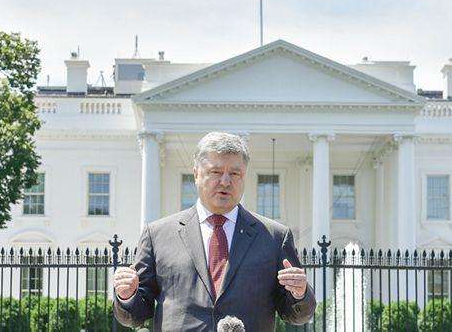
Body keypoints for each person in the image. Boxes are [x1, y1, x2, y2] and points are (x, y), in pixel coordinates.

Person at [113, 132, 316, 331]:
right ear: (196, 174)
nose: (225, 181)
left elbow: (296, 314)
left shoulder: (274, 237)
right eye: (216, 172)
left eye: (234, 173)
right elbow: (137, 315)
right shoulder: (158, 235)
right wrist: (127, 295)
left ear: (244, 176)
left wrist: (300, 294)